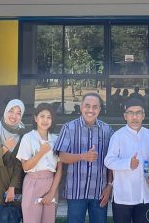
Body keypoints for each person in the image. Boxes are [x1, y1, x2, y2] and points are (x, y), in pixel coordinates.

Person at [53, 92, 114, 223]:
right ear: (81, 107)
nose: (90, 110)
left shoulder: (107, 130)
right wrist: (83, 156)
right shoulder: (69, 128)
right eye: (87, 106)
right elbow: (61, 156)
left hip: (100, 191)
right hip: (75, 191)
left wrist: (109, 185)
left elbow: (111, 161)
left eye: (95, 106)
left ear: (99, 109)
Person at [104, 98, 149, 223]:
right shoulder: (118, 136)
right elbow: (109, 161)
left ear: (143, 115)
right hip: (123, 198)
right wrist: (128, 163)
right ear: (125, 116)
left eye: (138, 112)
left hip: (145, 197)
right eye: (130, 113)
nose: (134, 116)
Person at [17, 103, 63, 223]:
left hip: (51, 183)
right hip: (33, 182)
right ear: (35, 118)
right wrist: (41, 152)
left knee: (49, 219)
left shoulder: (56, 139)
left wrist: (52, 192)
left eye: (49, 117)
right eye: (42, 116)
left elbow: (59, 169)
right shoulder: (28, 138)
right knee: (31, 219)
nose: (45, 120)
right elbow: (26, 166)